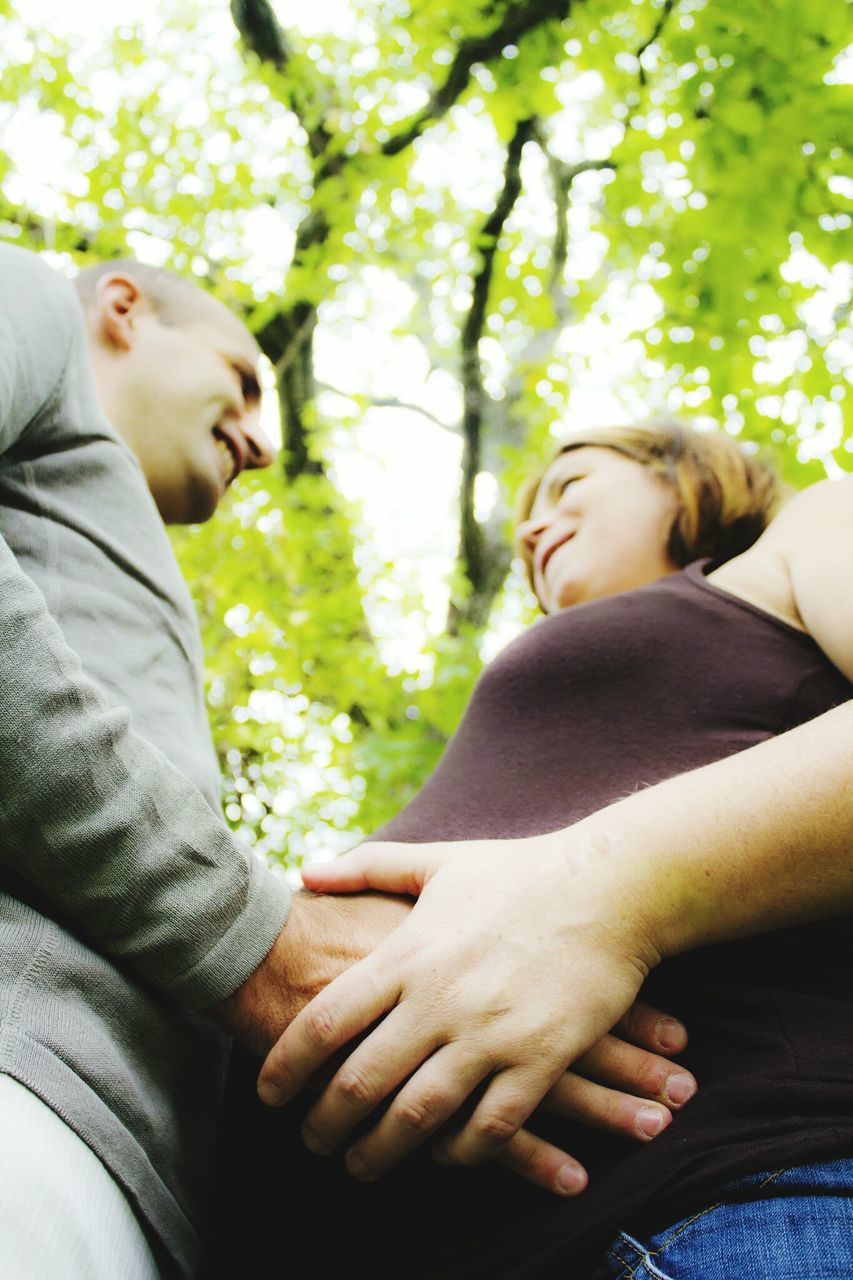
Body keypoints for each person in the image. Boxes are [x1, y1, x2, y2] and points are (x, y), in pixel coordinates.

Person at [0, 247, 688, 1280]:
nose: (265, 443)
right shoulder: (34, 303)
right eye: (241, 377)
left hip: (131, 1176)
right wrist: (260, 939)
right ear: (124, 309)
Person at [244, 418, 853, 1278]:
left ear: (690, 478)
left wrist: (606, 895)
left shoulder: (811, 529)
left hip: (724, 1209)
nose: (530, 525)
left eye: (570, 486)